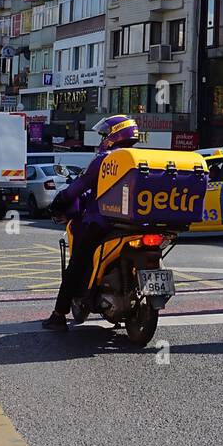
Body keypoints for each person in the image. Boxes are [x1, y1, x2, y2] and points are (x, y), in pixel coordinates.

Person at [41, 114, 140, 331]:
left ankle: (59, 315)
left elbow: (78, 187)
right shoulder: (140, 158)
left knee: (76, 264)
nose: (102, 138)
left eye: (104, 134)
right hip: (139, 224)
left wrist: (60, 201)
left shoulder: (105, 159)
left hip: (102, 223)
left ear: (114, 135)